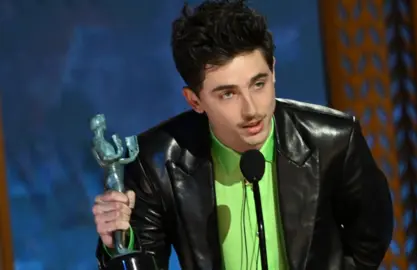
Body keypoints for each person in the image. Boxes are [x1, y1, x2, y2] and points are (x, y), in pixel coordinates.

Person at [93, 0, 394, 269]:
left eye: (259, 84)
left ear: (273, 71)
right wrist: (118, 244)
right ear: (194, 100)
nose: (251, 109)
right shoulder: (156, 164)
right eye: (227, 94)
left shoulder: (334, 141)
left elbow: (371, 236)